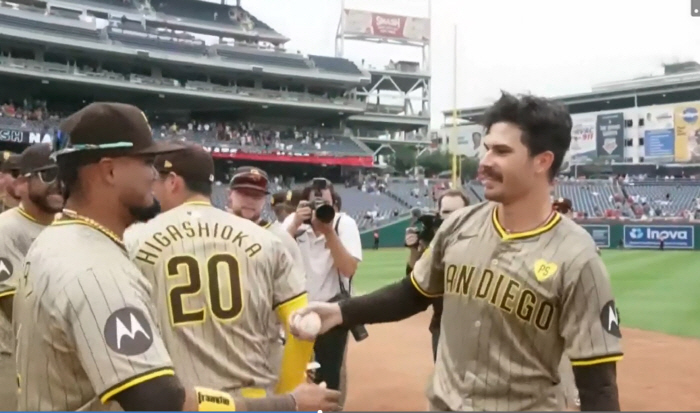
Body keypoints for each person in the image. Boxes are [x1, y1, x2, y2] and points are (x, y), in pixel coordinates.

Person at [289, 92, 623, 411]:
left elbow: (598, 386)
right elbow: (413, 294)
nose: (485, 161)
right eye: (486, 148)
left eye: (501, 152)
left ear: (542, 161)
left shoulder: (577, 258)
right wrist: (341, 312)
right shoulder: (459, 225)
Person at [13, 102, 339, 412]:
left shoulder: (52, 240)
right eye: (145, 163)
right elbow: (161, 402)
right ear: (109, 171)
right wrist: (290, 403)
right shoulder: (97, 270)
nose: (153, 177)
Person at [127, 147, 321, 401]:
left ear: (173, 182)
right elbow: (304, 325)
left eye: (157, 181)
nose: (153, 189)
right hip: (252, 399)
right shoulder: (268, 241)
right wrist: (287, 397)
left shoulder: (133, 240)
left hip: (183, 400)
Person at [227, 166, 307, 382]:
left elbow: (296, 299)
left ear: (264, 200)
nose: (250, 200)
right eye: (244, 193)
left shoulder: (281, 240)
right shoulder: (207, 230)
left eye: (257, 195)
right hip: (217, 342)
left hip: (264, 345)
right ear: (230, 194)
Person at [282, 179, 362, 393]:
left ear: (334, 204)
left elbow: (348, 269)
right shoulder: (295, 222)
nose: (320, 209)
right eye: (314, 203)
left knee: (330, 374)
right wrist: (295, 223)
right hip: (297, 309)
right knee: (293, 372)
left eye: (326, 203)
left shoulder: (343, 224)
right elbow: (273, 256)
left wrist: (329, 232)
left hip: (331, 309)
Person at [0, 143, 63, 411]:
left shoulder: (68, 226)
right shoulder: (6, 229)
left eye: (64, 176)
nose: (59, 185)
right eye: (48, 175)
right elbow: (12, 302)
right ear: (23, 184)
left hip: (54, 358)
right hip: (9, 356)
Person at [405, 189, 469, 362]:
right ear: (438, 214)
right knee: (442, 383)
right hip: (442, 325)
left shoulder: (480, 239)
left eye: (458, 212)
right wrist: (415, 251)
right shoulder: (435, 244)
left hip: (475, 327)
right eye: (446, 212)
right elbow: (414, 283)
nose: (451, 217)